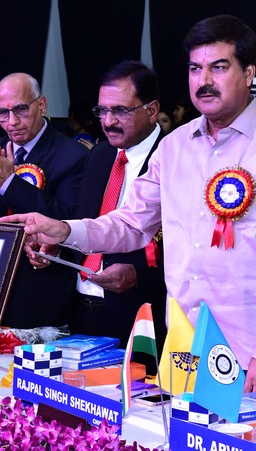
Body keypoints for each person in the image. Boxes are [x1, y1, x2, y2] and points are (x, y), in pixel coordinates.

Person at [2, 15, 256, 397]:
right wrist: (65, 230)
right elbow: (130, 224)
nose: (204, 80)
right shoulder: (174, 147)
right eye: (195, 68)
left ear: (249, 72)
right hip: (184, 350)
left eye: (219, 67)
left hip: (251, 356)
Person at [0, 72, 88, 328]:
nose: (12, 121)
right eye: (2, 113)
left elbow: (67, 219)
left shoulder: (73, 155)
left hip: (41, 290)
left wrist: (8, 182)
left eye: (20, 109)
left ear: (42, 105)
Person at [62, 61, 167, 361]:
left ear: (151, 110)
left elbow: (191, 246)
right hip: (82, 315)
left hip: (141, 317)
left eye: (120, 111)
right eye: (102, 111)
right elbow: (88, 223)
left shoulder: (174, 157)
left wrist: (140, 275)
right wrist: (56, 245)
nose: (108, 122)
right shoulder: (99, 155)